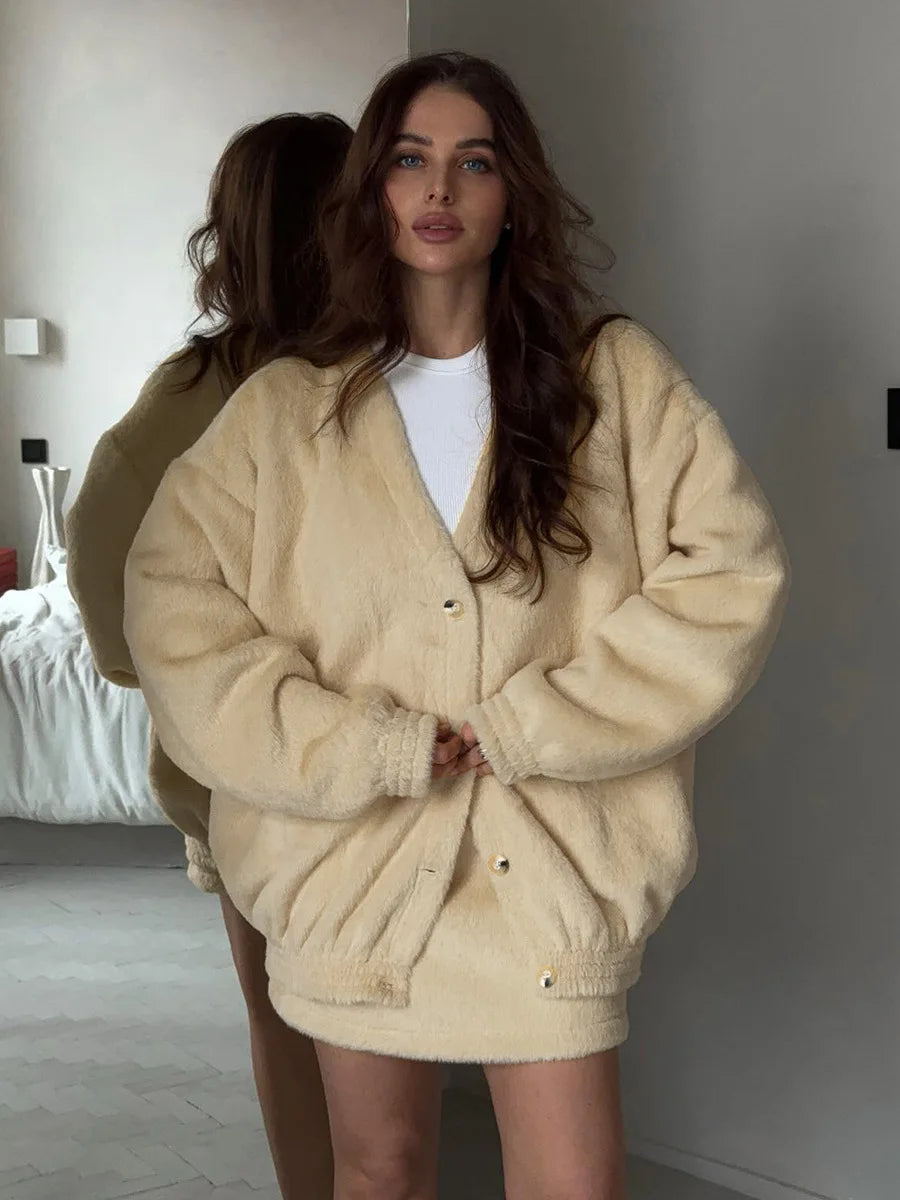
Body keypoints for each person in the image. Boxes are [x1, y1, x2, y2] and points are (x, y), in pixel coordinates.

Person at [121, 53, 790, 1200]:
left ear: (510, 192)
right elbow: (172, 605)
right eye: (408, 161)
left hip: (553, 873)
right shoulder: (286, 411)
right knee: (379, 1170)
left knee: (574, 1179)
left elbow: (732, 568)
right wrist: (355, 747)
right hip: (354, 871)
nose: (440, 190)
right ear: (372, 192)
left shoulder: (611, 382)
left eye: (472, 162)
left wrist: (544, 720)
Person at [65, 111, 353, 1200]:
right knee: (368, 1031)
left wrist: (176, 685)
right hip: (317, 776)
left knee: (284, 1026)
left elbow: (100, 557)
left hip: (243, 784)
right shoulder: (379, 371)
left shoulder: (191, 393)